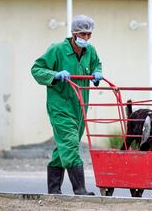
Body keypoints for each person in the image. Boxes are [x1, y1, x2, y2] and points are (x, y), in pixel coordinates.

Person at [31, 15, 103, 195]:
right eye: (83, 34)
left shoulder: (91, 51)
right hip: (60, 107)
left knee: (64, 147)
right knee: (70, 145)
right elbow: (37, 69)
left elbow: (97, 64)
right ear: (74, 33)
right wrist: (54, 75)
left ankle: (53, 190)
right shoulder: (57, 50)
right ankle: (80, 191)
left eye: (89, 35)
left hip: (80, 107)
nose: (86, 38)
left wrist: (97, 73)